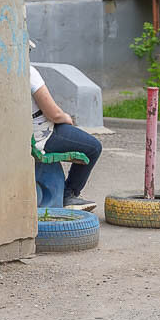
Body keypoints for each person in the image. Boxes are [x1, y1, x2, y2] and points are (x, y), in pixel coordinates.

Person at [29, 54, 102, 211]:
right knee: (94, 147)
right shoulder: (29, 73)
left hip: (20, 134)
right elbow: (53, 114)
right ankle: (69, 194)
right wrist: (66, 118)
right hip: (41, 134)